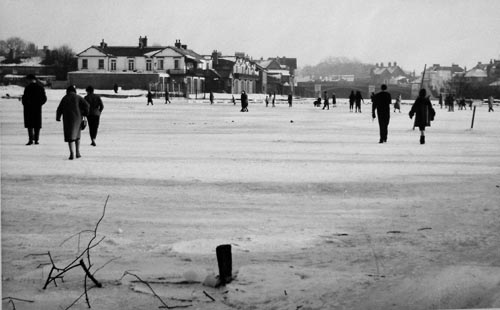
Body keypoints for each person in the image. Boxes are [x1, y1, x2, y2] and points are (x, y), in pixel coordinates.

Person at [56, 86, 90, 160]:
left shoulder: (65, 98)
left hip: (67, 119)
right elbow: (87, 105)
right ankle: (78, 152)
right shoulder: (78, 97)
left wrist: (58, 117)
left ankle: (72, 153)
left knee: (70, 137)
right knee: (77, 136)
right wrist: (85, 113)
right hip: (78, 118)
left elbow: (59, 108)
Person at [21, 74, 47, 145]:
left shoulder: (27, 88)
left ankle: (30, 140)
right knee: (37, 124)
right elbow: (44, 99)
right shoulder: (40, 87)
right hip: (37, 108)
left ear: (30, 80)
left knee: (30, 125)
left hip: (28, 108)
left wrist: (25, 103)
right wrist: (39, 104)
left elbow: (24, 98)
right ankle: (36, 139)